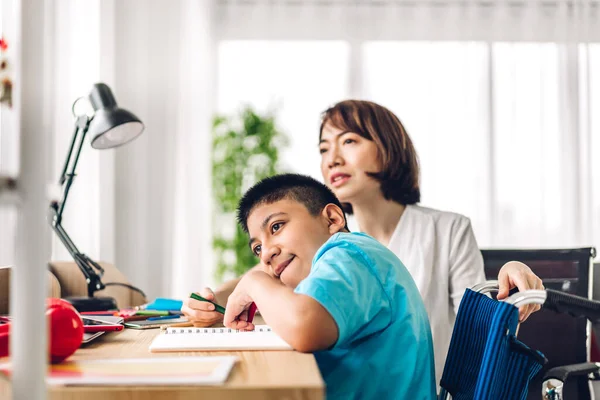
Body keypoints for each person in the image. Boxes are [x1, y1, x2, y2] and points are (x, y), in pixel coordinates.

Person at [182, 99, 544, 382]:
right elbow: (259, 277)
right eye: (324, 149)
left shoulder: (443, 229)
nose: (332, 159)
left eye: (349, 141)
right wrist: (208, 302)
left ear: (388, 148)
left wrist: (510, 274)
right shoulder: (321, 240)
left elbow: (479, 319)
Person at [224, 173, 436, 399]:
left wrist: (254, 281)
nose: (266, 254)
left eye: (276, 227)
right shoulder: (348, 259)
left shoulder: (347, 254)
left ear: (332, 219)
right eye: (257, 248)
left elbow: (304, 327)